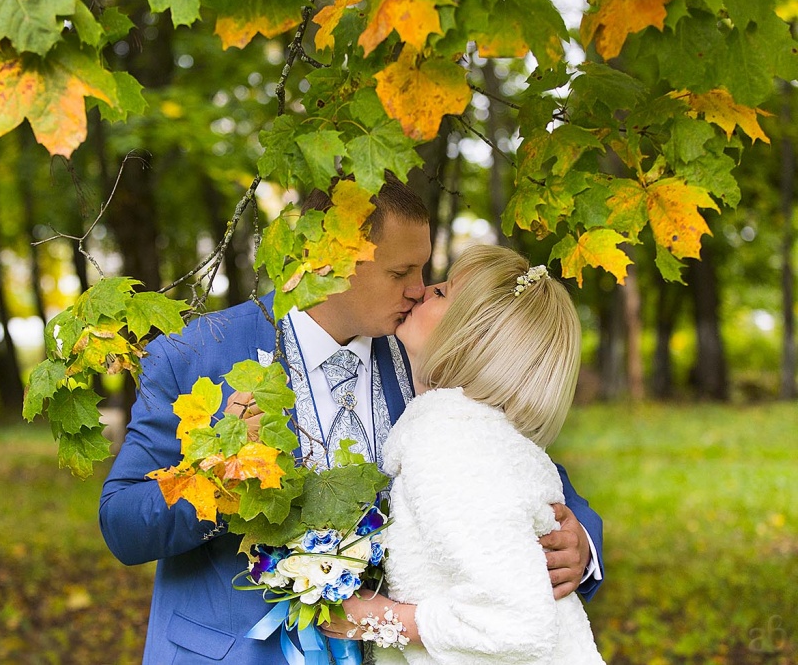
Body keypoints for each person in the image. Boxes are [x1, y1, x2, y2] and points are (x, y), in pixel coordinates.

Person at [98, 179, 603, 663]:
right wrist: (221, 480)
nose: (418, 290)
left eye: (423, 269)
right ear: (329, 259)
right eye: (399, 273)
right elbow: (123, 523)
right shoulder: (194, 355)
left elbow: (518, 464)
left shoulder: (429, 352)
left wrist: (581, 544)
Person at [321, 245, 605, 664]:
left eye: (441, 292)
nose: (421, 290)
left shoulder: (449, 437)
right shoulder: (479, 428)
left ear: (470, 336)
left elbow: (516, 622)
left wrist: (378, 618)